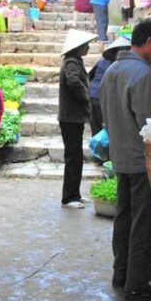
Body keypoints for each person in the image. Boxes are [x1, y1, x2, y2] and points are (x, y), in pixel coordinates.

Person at [98, 19, 151, 301]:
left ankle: (122, 275)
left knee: (125, 217)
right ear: (150, 42)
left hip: (119, 157)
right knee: (143, 223)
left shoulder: (113, 70)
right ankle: (137, 284)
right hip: (141, 161)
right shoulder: (143, 75)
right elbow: (149, 124)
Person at [58, 30, 96, 209]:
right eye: (86, 45)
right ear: (78, 47)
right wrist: (85, 96)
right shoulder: (71, 62)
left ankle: (75, 194)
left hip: (75, 118)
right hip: (70, 118)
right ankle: (68, 198)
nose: (88, 47)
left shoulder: (76, 61)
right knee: (73, 157)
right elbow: (73, 81)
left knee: (77, 157)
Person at [89, 36, 128, 136]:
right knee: (107, 127)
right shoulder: (119, 66)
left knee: (96, 126)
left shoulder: (101, 62)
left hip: (92, 95)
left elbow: (90, 76)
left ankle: (96, 148)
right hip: (103, 97)